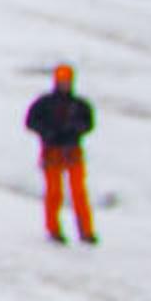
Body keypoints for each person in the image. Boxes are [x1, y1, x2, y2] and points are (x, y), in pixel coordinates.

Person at [28, 65, 98, 244]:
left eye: (67, 81)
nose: (64, 84)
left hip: (72, 152)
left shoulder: (79, 105)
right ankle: (53, 230)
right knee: (54, 193)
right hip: (52, 152)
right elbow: (30, 121)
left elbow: (89, 123)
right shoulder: (44, 103)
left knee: (78, 193)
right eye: (61, 81)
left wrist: (76, 130)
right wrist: (46, 132)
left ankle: (86, 232)